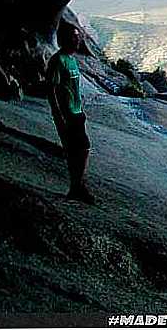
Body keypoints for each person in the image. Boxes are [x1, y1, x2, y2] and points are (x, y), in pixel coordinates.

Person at [46, 23, 95, 204]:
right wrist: (58, 115)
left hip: (77, 112)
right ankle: (76, 186)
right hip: (67, 114)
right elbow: (51, 89)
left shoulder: (72, 60)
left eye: (78, 37)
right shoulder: (58, 61)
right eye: (74, 37)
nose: (78, 40)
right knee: (80, 149)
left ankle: (77, 186)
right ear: (64, 39)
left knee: (78, 150)